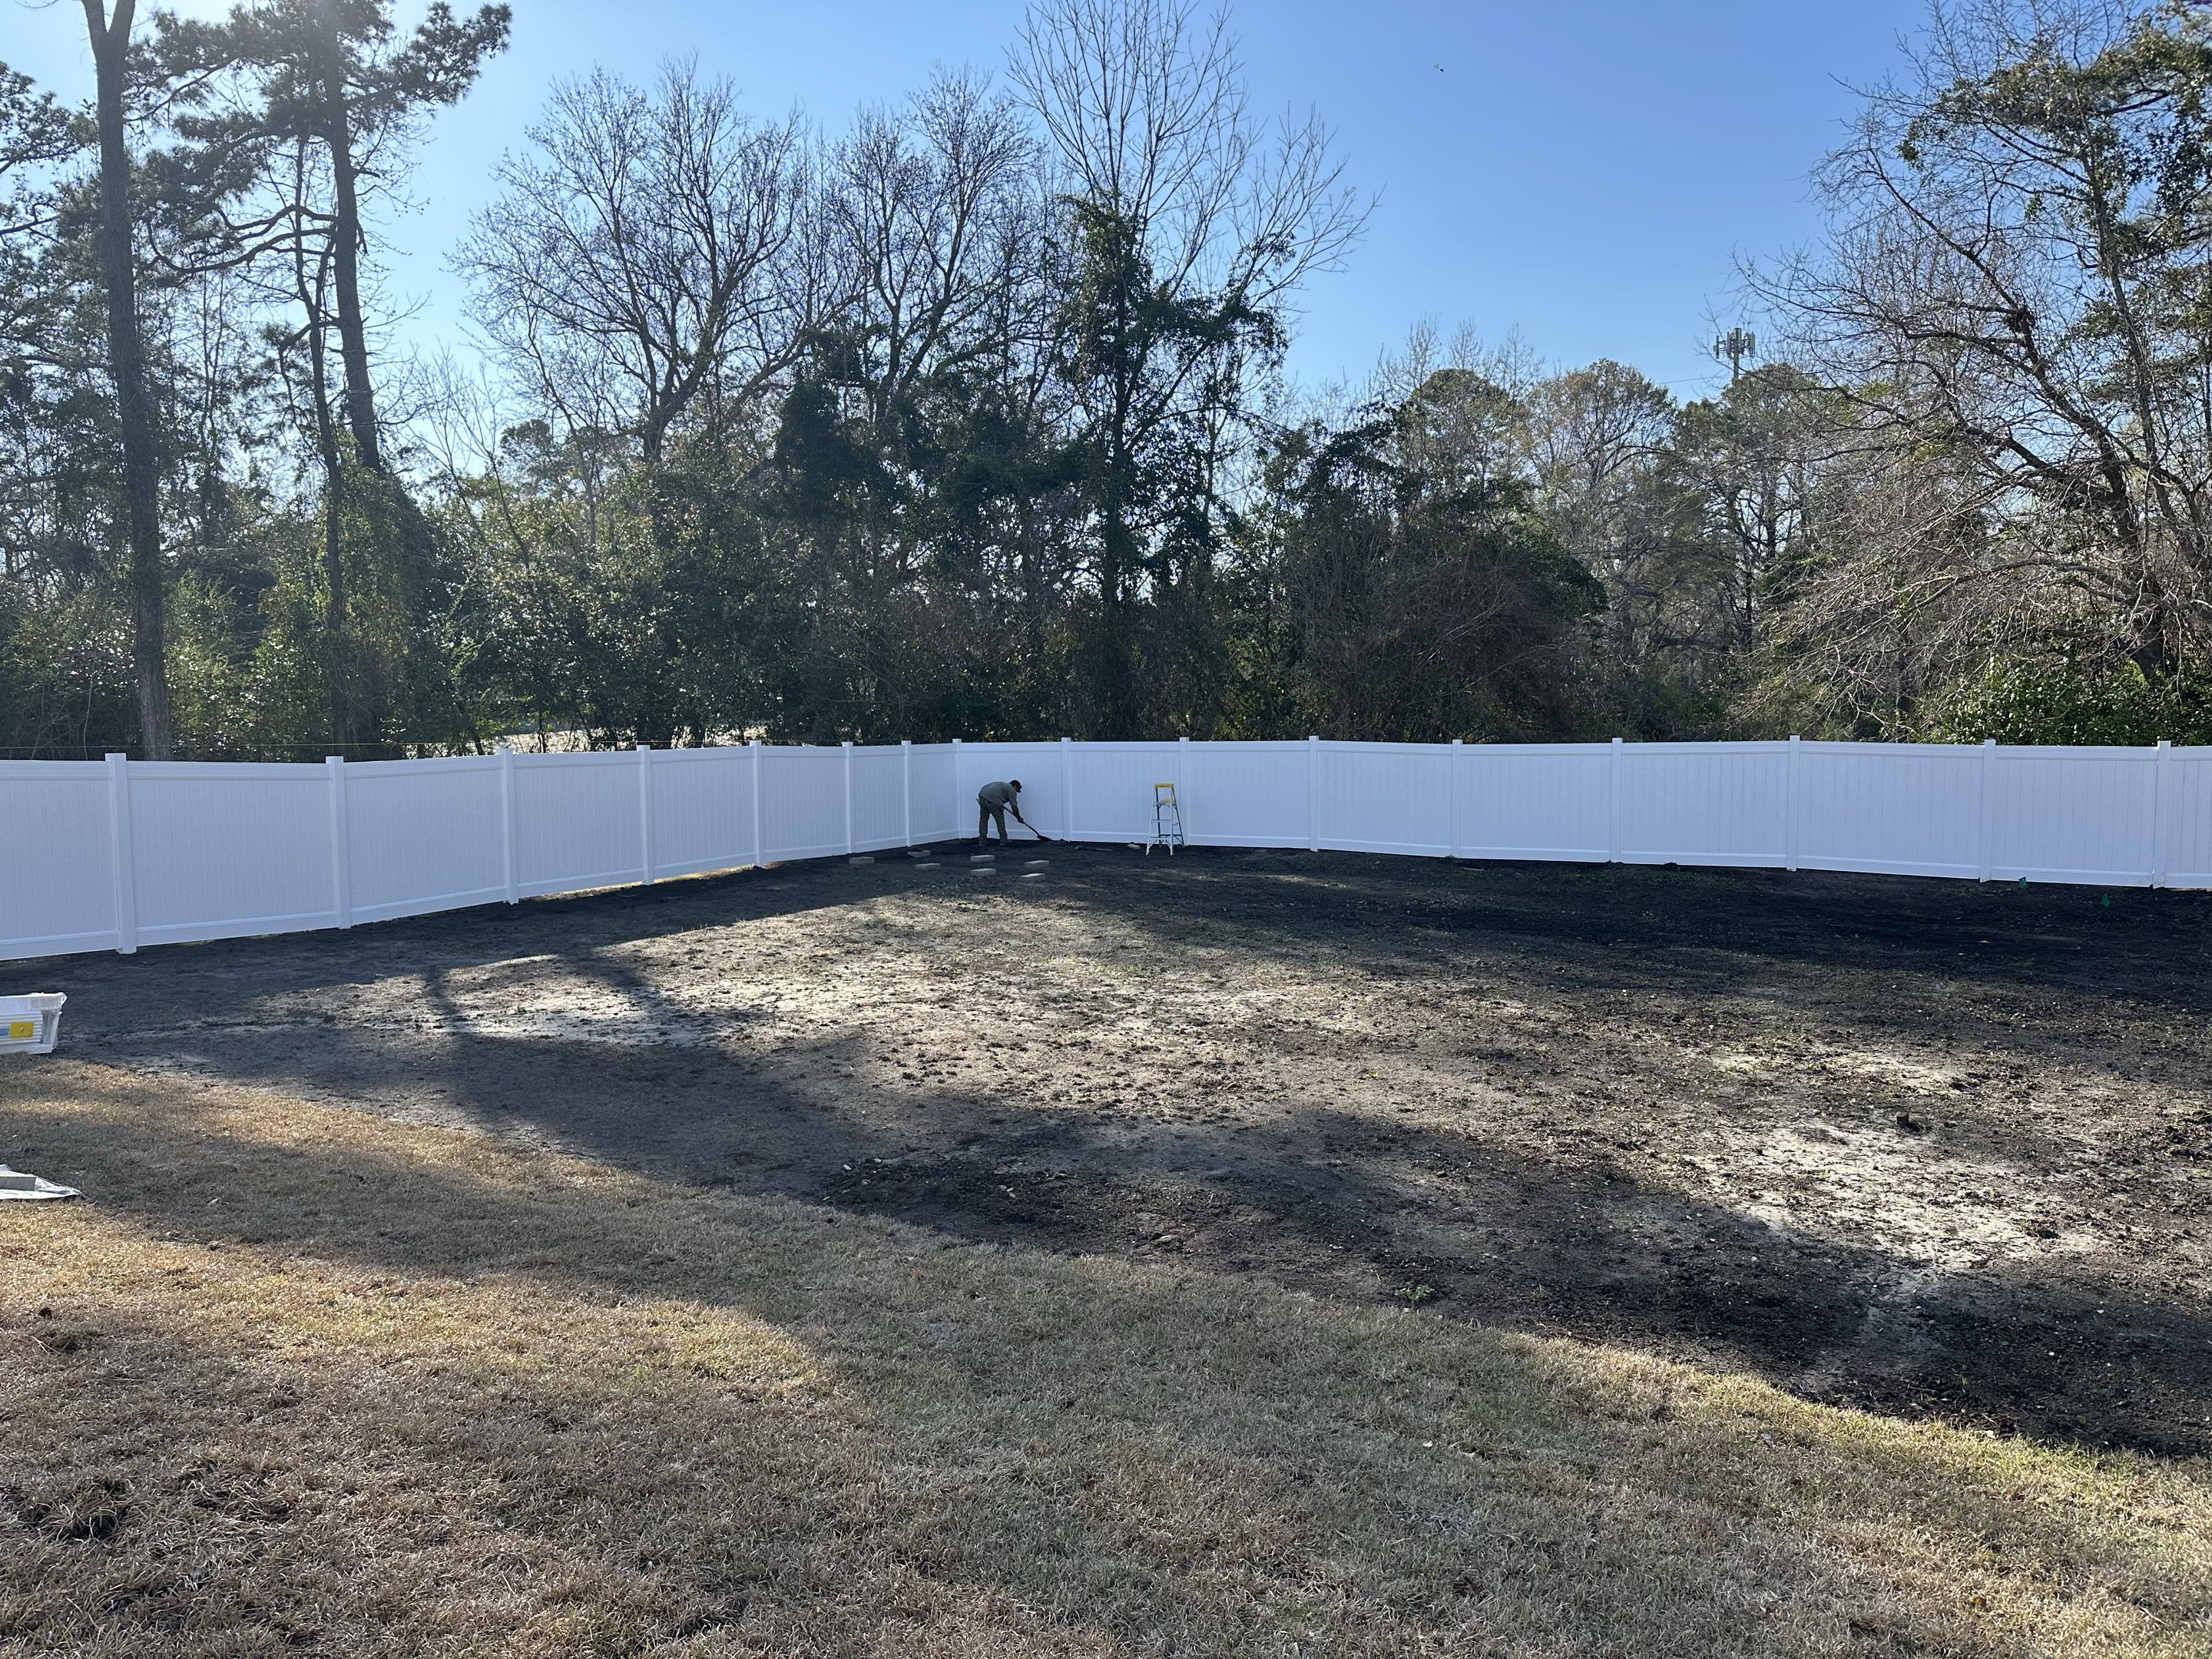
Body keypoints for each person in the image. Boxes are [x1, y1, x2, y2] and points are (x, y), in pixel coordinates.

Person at [976, 778, 1031, 848]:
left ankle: (982, 841)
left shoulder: (1002, 785)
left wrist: (999, 804)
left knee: (983, 819)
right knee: (1000, 820)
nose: (1016, 792)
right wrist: (1019, 818)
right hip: (993, 799)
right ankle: (1003, 840)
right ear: (1015, 786)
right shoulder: (1011, 790)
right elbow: (1014, 807)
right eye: (1017, 790)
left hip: (982, 796)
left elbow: (996, 794)